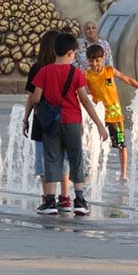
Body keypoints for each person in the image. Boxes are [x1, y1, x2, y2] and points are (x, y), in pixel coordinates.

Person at [24, 32, 108, 216]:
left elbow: (36, 97)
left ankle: (51, 202)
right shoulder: (76, 73)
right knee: (75, 159)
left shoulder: (44, 71)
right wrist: (99, 125)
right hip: (72, 121)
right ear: (71, 53)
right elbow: (85, 100)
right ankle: (79, 200)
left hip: (51, 124)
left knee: (52, 159)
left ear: (55, 51)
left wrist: (40, 109)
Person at [84, 43, 138, 183]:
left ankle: (124, 174)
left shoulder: (109, 71)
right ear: (87, 60)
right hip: (98, 116)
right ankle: (89, 170)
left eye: (97, 60)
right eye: (91, 61)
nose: (95, 64)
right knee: (90, 142)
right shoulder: (86, 75)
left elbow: (128, 79)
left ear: (103, 58)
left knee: (121, 143)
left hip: (114, 116)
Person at [24, 30, 59, 183]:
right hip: (62, 117)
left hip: (42, 118)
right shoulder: (65, 68)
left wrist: (26, 118)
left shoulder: (37, 68)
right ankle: (64, 196)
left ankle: (47, 197)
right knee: (62, 158)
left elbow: (32, 97)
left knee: (42, 157)